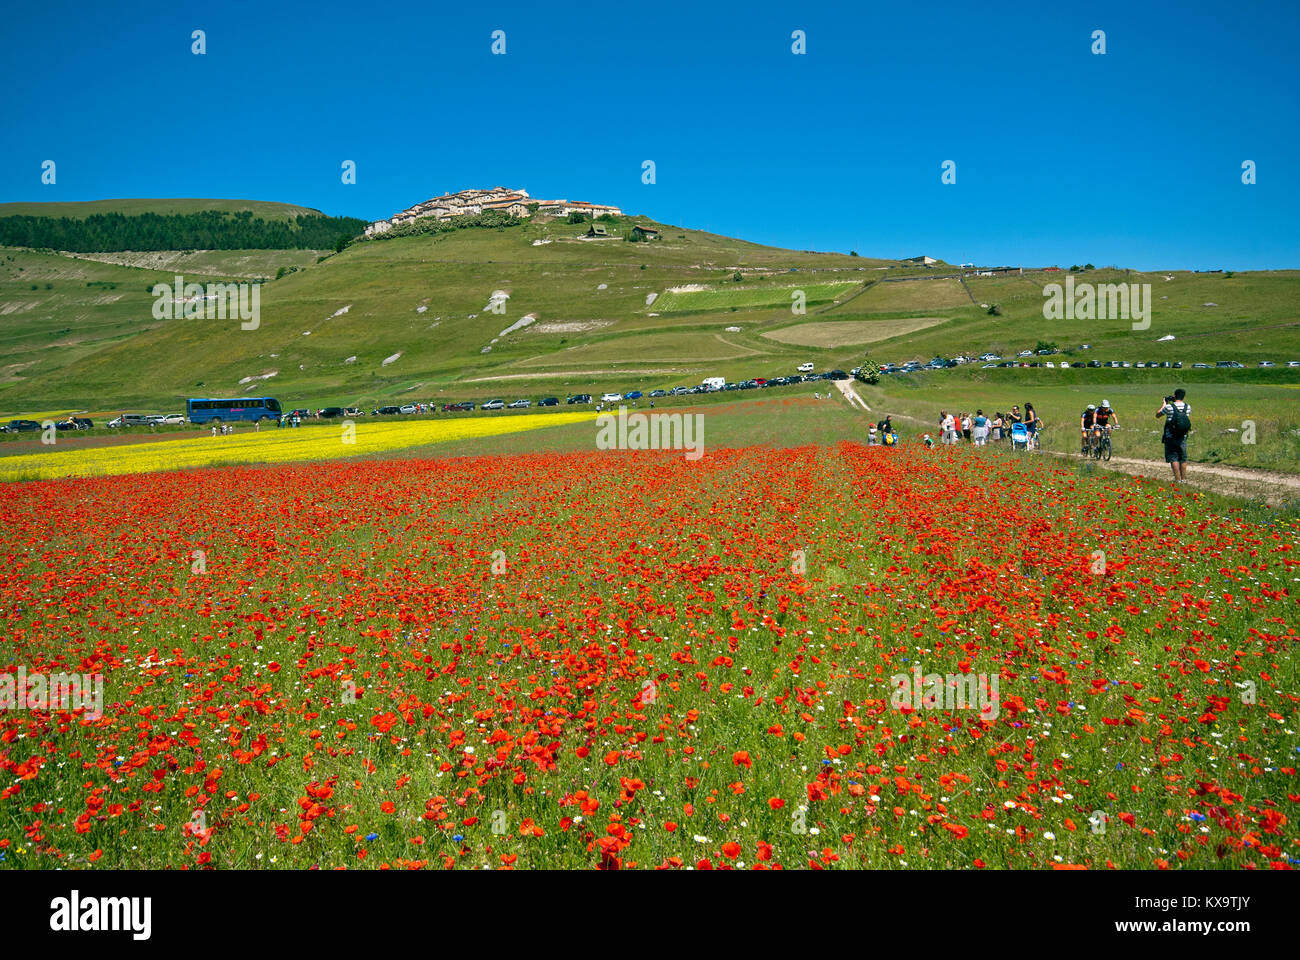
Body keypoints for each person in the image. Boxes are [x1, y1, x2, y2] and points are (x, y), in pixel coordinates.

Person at [1156, 389, 1191, 483]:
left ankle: (1177, 479)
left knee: (1173, 457)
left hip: (1170, 436)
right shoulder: (1188, 407)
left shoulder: (1169, 407)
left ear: (1175, 396)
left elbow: (1158, 415)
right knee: (1182, 458)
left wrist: (1164, 403)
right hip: (1183, 436)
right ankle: (1184, 479)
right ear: (1184, 396)